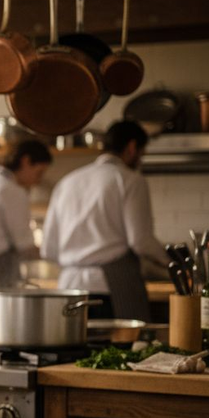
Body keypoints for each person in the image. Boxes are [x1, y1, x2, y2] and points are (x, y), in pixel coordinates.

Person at [41, 120, 169, 320]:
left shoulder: (67, 181)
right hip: (110, 287)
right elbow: (141, 241)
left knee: (73, 350)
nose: (140, 160)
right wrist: (171, 263)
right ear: (132, 147)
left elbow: (48, 250)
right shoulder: (130, 179)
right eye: (142, 153)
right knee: (119, 349)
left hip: (68, 288)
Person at [0, 138, 53, 289]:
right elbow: (24, 245)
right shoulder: (11, 190)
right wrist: (56, 254)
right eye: (39, 172)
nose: (38, 180)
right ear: (26, 161)